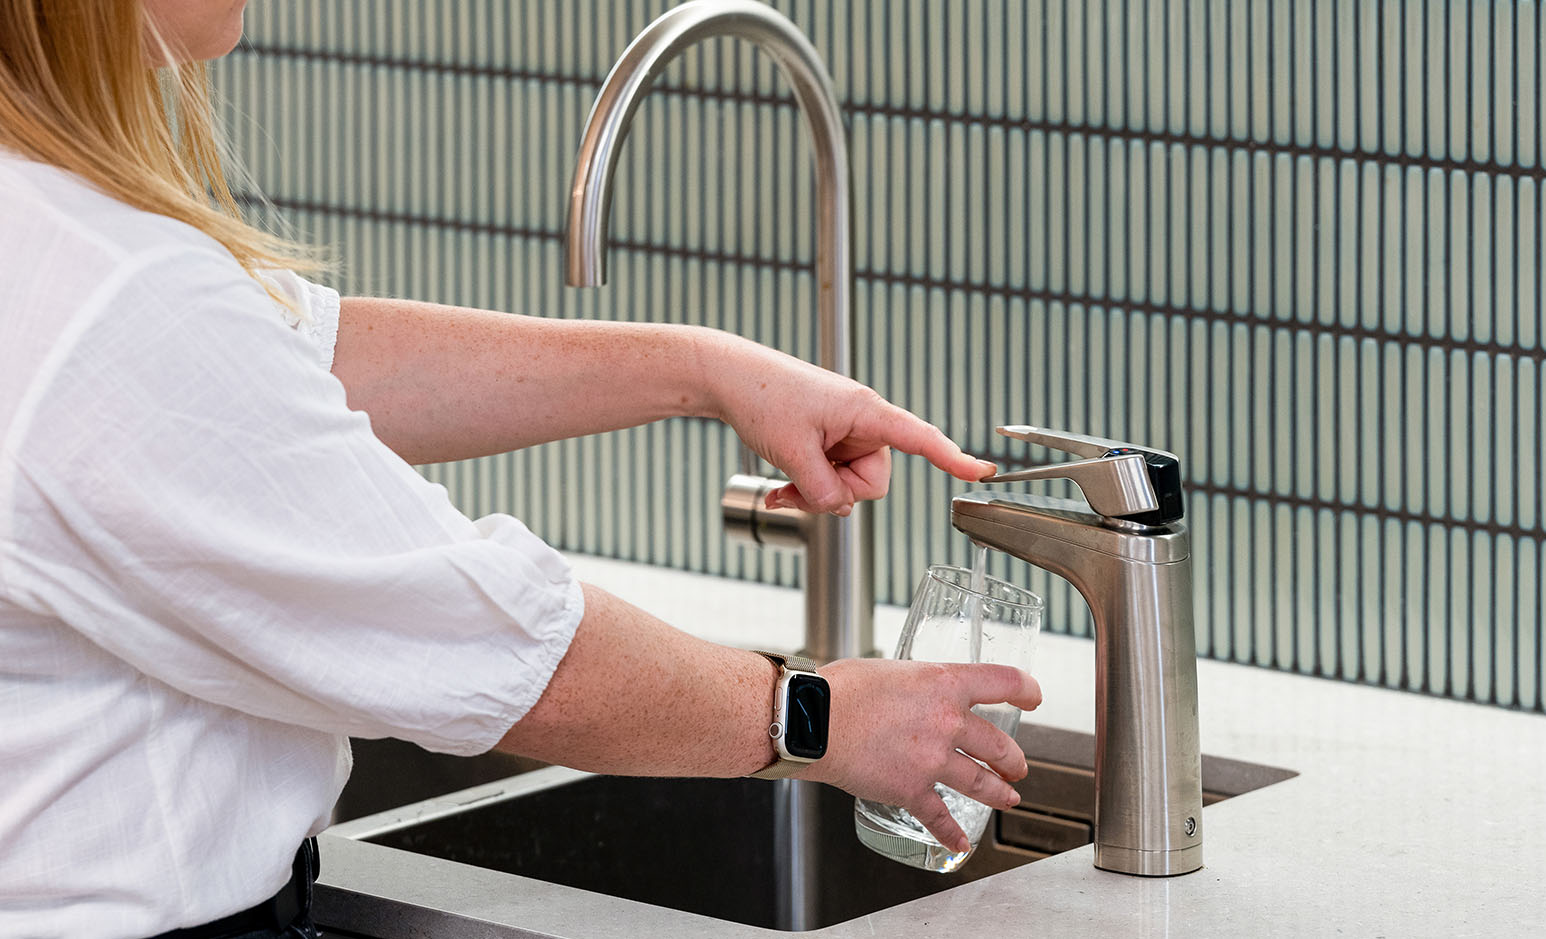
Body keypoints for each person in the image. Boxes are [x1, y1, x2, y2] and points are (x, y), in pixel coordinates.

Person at [0, 2, 1043, 937]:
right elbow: (497, 647)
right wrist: (816, 716)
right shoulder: (111, 296)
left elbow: (284, 360)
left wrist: (699, 369)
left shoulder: (56, 239)